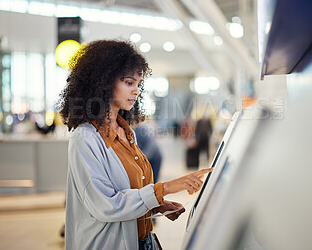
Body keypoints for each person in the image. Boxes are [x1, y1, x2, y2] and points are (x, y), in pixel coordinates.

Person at [57, 39, 213, 250]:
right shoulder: (85, 138)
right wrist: (164, 188)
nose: (136, 91)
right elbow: (106, 205)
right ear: (103, 82)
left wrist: (155, 206)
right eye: (129, 83)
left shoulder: (127, 132)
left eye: (138, 84)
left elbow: (128, 192)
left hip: (144, 242)